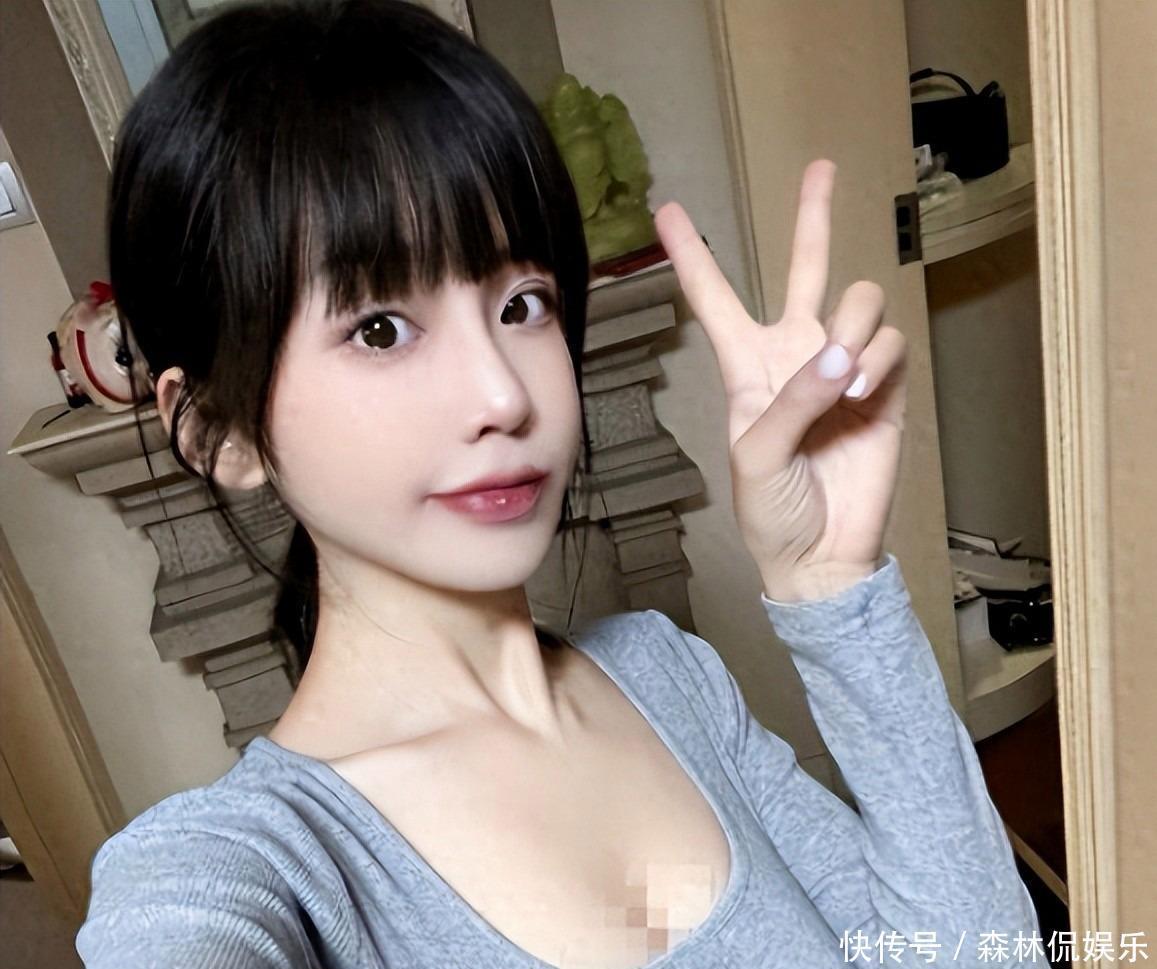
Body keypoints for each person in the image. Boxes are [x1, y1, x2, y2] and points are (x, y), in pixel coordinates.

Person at [75, 1, 1040, 966]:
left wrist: (830, 586)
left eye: (521, 304)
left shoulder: (667, 677)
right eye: (379, 329)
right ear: (219, 430)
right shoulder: (257, 861)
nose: (503, 393)